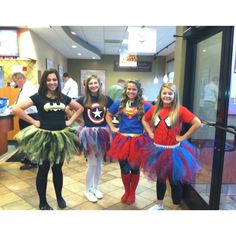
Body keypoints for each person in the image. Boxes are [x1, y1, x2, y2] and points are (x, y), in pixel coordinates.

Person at [12, 68, 84, 210]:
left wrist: (70, 121)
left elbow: (80, 108)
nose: (52, 82)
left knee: (58, 169)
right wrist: (33, 121)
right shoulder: (38, 97)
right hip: (43, 138)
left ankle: (59, 197)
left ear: (58, 81)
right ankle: (43, 202)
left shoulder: (63, 97)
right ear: (45, 81)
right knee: (43, 170)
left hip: (61, 138)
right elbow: (16, 109)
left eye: (55, 79)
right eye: (49, 79)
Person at [141, 83, 201, 210]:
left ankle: (175, 206)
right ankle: (159, 204)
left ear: (174, 95)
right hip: (157, 149)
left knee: (174, 181)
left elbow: (197, 123)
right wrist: (150, 133)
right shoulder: (154, 109)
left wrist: (183, 137)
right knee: (160, 179)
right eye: (164, 93)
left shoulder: (180, 110)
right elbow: (144, 120)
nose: (167, 96)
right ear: (160, 95)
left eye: (170, 93)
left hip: (174, 152)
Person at [106, 80, 152, 204]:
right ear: (125, 90)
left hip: (138, 141)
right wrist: (112, 127)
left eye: (134, 89)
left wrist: (149, 131)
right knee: (124, 168)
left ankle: (132, 193)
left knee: (134, 168)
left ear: (138, 91)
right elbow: (108, 115)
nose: (131, 91)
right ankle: (126, 191)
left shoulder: (145, 105)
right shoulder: (119, 103)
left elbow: (154, 117)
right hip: (122, 140)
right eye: (129, 89)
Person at [77, 74, 113, 202]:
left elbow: (114, 111)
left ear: (100, 84)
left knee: (99, 162)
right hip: (89, 134)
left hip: (103, 133)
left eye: (95, 83)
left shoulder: (106, 99)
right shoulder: (82, 99)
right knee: (92, 163)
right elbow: (68, 109)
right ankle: (87, 190)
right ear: (87, 86)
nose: (93, 85)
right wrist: (80, 120)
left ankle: (96, 187)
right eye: (90, 83)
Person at [11, 72, 38, 170]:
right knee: (26, 139)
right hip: (26, 117)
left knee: (29, 139)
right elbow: (18, 102)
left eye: (15, 82)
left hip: (30, 117)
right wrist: (13, 106)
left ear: (20, 79)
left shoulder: (28, 88)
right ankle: (28, 158)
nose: (15, 84)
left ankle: (33, 161)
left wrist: (14, 107)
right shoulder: (24, 87)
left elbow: (23, 104)